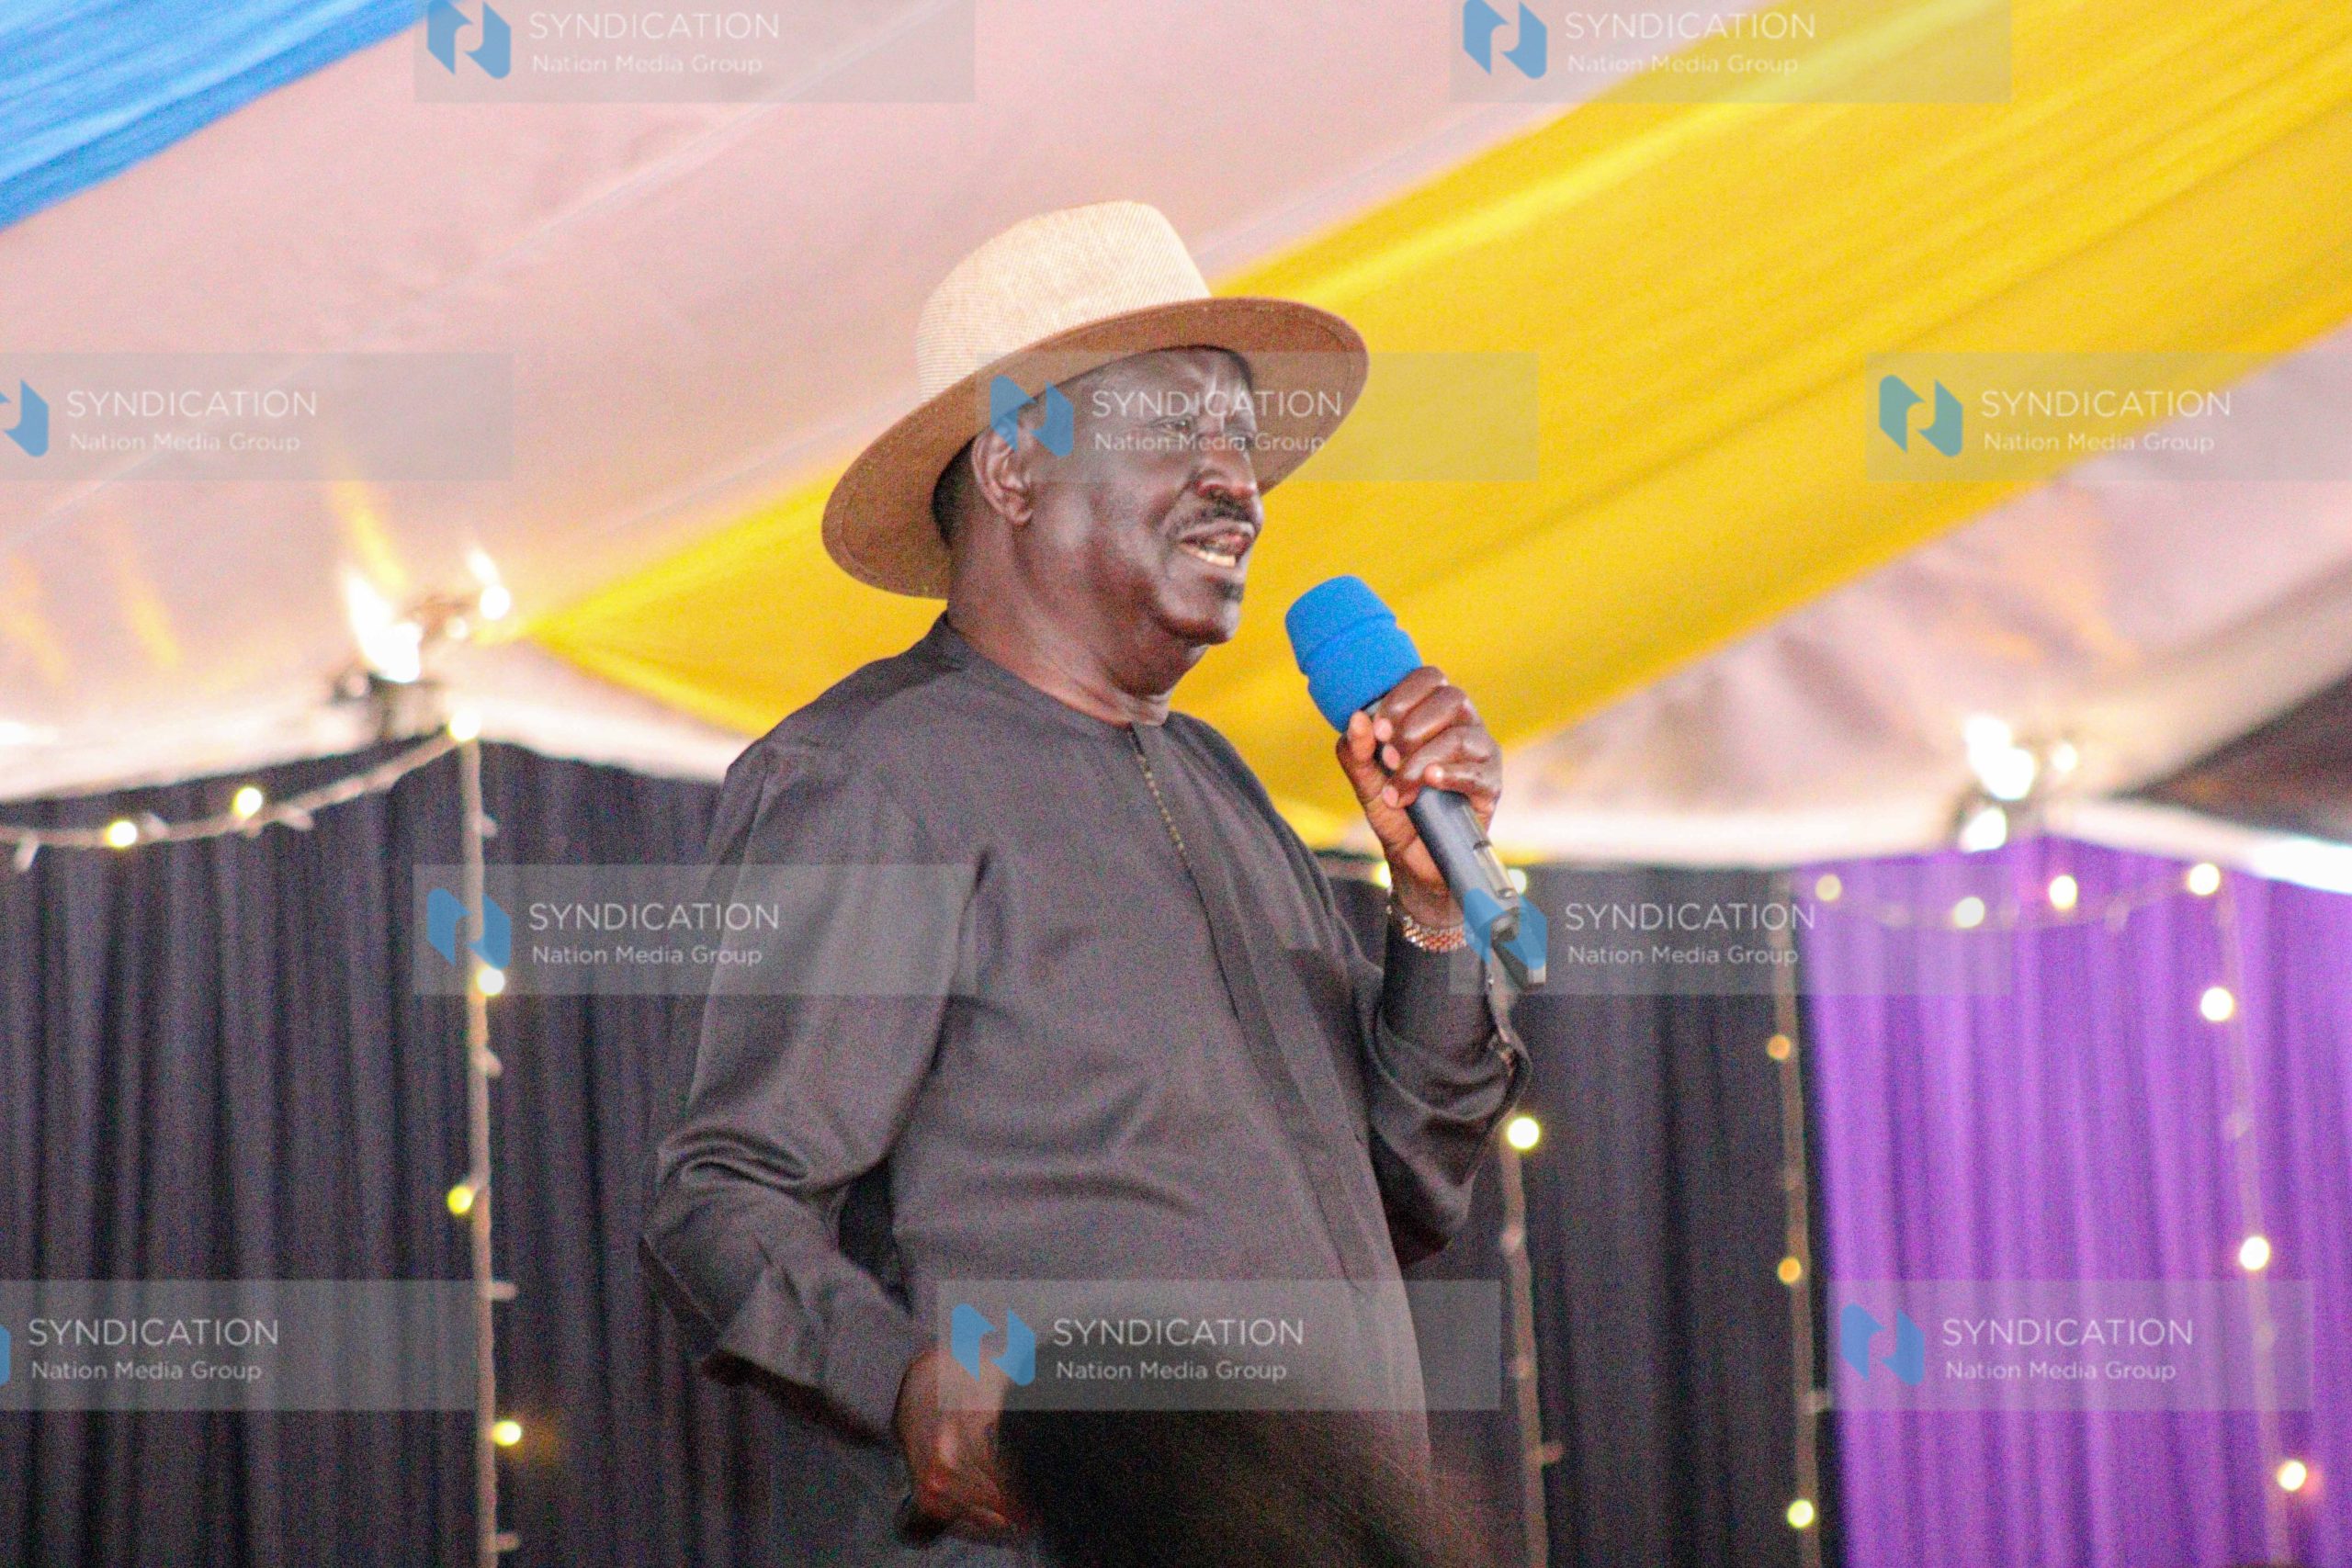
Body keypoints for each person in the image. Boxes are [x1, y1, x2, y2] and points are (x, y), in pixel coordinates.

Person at [640, 201, 1526, 1563]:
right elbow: (724, 1194)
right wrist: (909, 1388)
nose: (1240, 485)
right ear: (1013, 469)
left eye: (1245, 444)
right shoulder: (877, 777)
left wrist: (1429, 913)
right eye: (1183, 430)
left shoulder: (1221, 784)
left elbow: (1406, 1179)